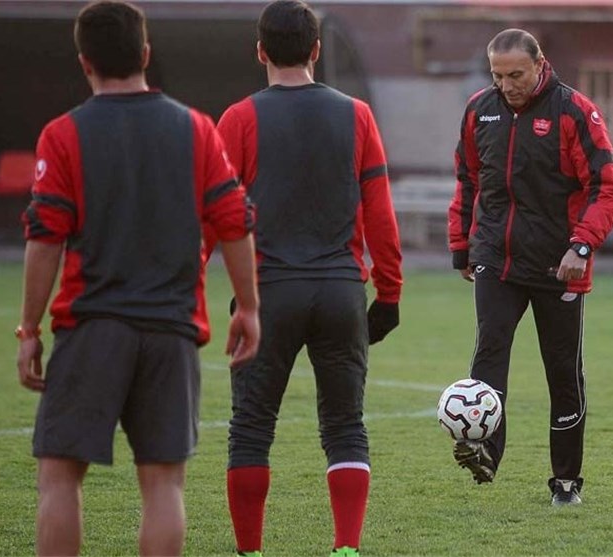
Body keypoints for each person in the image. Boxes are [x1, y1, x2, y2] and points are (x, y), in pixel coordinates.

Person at [15, 2, 260, 555]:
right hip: (171, 330)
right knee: (163, 484)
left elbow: (45, 236)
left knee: (59, 477)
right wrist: (248, 307)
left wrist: (28, 328)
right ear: (146, 54)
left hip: (91, 328)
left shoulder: (63, 134)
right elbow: (235, 222)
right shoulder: (196, 129)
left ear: (85, 63)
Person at [210, 1, 403, 555]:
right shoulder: (357, 114)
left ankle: (251, 551)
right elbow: (380, 213)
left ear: (260, 51)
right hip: (342, 290)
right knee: (345, 425)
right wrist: (388, 293)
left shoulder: (240, 118)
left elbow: (215, 214)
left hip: (269, 293)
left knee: (251, 429)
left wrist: (183, 291)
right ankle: (346, 549)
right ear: (317, 50)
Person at [447, 28, 613, 506]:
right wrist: (462, 245)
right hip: (496, 259)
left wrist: (581, 248)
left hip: (558, 266)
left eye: (516, 74)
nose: (507, 85)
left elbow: (608, 188)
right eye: (498, 75)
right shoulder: (479, 110)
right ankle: (484, 451)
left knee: (563, 374)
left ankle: (565, 482)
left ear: (539, 63)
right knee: (488, 356)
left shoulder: (573, 111)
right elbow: (467, 178)